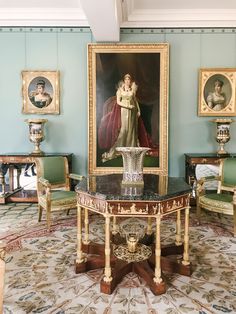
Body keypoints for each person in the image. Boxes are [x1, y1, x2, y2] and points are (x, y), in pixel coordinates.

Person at [98, 73, 155, 162]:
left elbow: (135, 101)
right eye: (126, 80)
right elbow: (118, 102)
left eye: (129, 80)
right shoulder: (120, 90)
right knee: (124, 129)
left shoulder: (132, 90)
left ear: (130, 81)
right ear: (124, 81)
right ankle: (119, 149)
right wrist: (127, 106)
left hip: (133, 111)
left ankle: (131, 150)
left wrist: (138, 110)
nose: (127, 81)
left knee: (132, 130)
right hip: (124, 110)